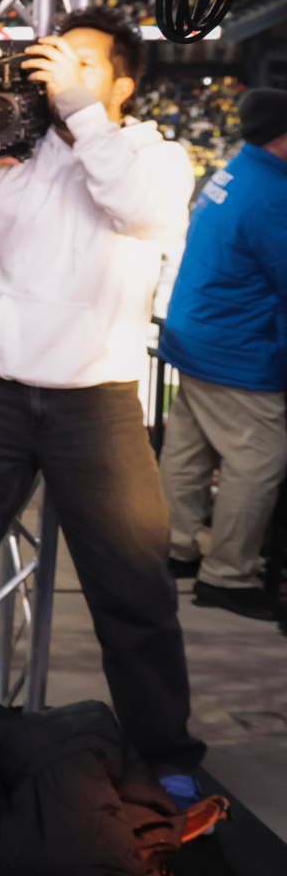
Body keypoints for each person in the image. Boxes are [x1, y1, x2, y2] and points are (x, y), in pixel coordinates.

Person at [0, 7, 206, 802]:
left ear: (122, 83)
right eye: (55, 60)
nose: (60, 74)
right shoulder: (21, 151)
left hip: (98, 404)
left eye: (82, 64)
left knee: (135, 593)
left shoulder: (156, 158)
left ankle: (168, 753)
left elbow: (136, 211)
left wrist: (79, 111)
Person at [156, 88, 287, 621]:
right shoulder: (273, 194)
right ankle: (228, 576)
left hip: (196, 335)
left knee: (187, 450)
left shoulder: (238, 171)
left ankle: (174, 547)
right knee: (259, 459)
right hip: (237, 349)